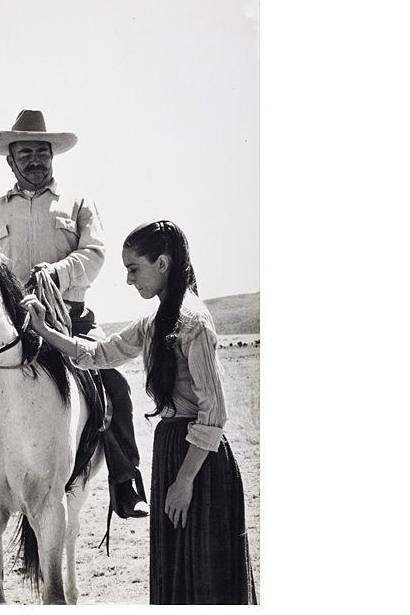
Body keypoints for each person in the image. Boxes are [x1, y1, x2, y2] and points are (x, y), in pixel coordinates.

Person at [0, 109, 149, 522]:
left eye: (42, 151)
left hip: (70, 319)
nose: (35, 159)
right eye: (26, 153)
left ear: (52, 155)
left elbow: (95, 254)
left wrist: (57, 273)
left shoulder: (77, 204)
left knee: (113, 384)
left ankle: (126, 482)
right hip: (8, 326)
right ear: (11, 160)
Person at [23, 220, 258, 605]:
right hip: (173, 452)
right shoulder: (155, 322)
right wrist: (45, 330)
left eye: (134, 269)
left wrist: (183, 482)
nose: (129, 280)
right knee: (179, 571)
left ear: (162, 263)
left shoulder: (193, 322)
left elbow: (214, 414)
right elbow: (97, 354)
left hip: (198, 461)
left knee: (205, 573)